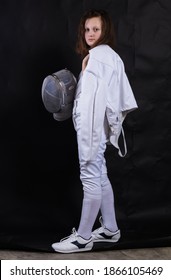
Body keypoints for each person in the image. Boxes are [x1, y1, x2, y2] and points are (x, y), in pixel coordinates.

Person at [51, 9, 138, 253]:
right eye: (87, 29)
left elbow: (92, 103)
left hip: (92, 130)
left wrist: (87, 141)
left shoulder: (98, 58)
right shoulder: (105, 56)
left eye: (96, 29)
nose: (90, 34)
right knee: (99, 175)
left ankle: (83, 237)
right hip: (97, 129)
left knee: (90, 174)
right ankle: (110, 229)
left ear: (105, 31)